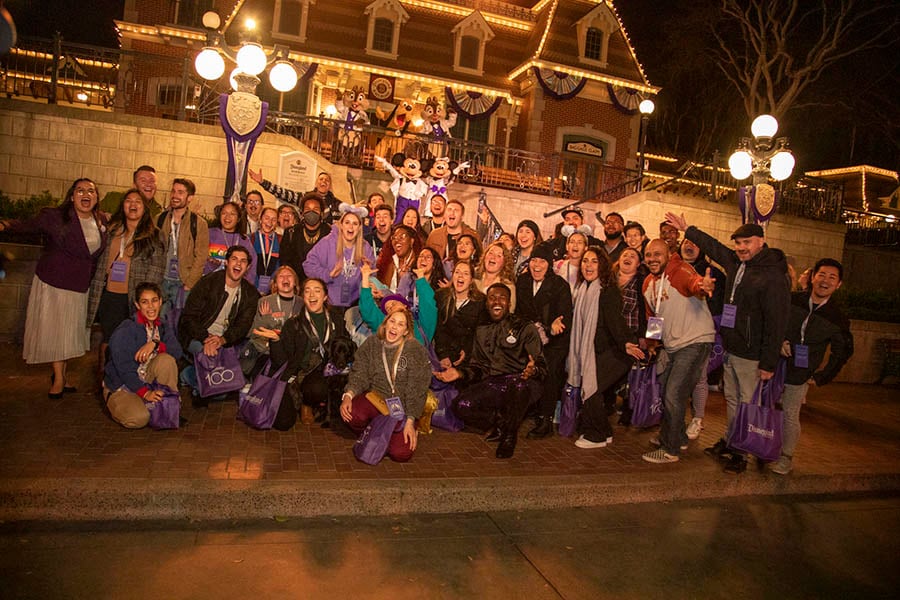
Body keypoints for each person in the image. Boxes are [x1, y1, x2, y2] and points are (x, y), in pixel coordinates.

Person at [665, 213, 791, 474]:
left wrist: (768, 362)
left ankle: (742, 452)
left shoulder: (773, 275)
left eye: (747, 242)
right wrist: (688, 229)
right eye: (738, 243)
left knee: (748, 404)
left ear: (761, 242)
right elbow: (714, 248)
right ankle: (733, 441)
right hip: (733, 348)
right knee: (733, 400)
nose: (741, 248)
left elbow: (776, 322)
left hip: (752, 353)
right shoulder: (737, 263)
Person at [0, 178, 108, 398]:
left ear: (96, 198)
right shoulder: (56, 217)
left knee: (68, 334)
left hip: (79, 287)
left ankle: (63, 375)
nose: (85, 194)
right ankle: (58, 378)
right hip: (54, 282)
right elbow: (28, 226)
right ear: (71, 196)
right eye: (80, 191)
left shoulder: (101, 222)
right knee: (56, 332)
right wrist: (6, 224)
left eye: (91, 191)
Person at [435, 284, 546, 458]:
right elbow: (479, 368)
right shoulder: (481, 331)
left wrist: (533, 370)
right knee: (461, 405)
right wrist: (460, 373)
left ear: (509, 302)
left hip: (522, 381)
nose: (497, 301)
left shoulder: (524, 327)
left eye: (502, 298)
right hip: (494, 382)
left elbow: (541, 364)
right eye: (492, 297)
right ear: (486, 303)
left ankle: (509, 437)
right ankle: (501, 422)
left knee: (518, 386)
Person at [640, 240, 716, 463]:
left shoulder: (680, 270)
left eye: (657, 254)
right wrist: (652, 343)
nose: (652, 258)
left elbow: (694, 283)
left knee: (674, 393)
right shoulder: (648, 283)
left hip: (694, 342)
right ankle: (678, 436)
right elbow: (653, 317)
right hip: (673, 346)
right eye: (648, 254)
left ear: (668, 255)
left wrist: (703, 286)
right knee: (667, 390)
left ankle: (670, 450)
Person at [776, 258, 854, 475]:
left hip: (801, 372)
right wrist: (779, 341)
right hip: (773, 365)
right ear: (812, 277)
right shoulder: (792, 300)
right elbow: (774, 322)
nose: (825, 281)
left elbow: (843, 351)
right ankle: (762, 446)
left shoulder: (837, 318)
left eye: (832, 277)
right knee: (764, 407)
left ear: (838, 285)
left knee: (790, 413)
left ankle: (786, 456)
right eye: (822, 275)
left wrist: (822, 377)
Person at [569, 247, 645, 449]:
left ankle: (596, 436)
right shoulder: (584, 289)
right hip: (599, 351)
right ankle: (605, 431)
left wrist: (626, 343)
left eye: (594, 261)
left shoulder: (607, 289)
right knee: (593, 388)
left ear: (602, 265)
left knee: (592, 388)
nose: (588, 265)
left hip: (618, 351)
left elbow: (615, 321)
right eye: (585, 261)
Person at [87, 188, 165, 375]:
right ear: (122, 206)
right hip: (111, 294)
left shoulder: (154, 234)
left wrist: (145, 300)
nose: (133, 205)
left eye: (138, 202)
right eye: (128, 201)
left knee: (131, 338)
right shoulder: (112, 231)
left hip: (135, 297)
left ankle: (128, 378)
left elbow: (157, 268)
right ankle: (105, 379)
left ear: (144, 208)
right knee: (109, 337)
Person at [341, 305, 432, 462]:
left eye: (400, 324)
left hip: (402, 407)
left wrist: (410, 420)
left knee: (400, 453)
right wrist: (348, 395)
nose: (394, 327)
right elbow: (360, 372)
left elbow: (417, 388)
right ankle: (374, 431)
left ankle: (390, 433)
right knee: (352, 413)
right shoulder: (372, 343)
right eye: (392, 321)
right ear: (385, 323)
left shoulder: (415, 350)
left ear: (406, 331)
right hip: (377, 399)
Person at [265, 277, 353, 428]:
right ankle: (297, 401)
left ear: (325, 296)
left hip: (320, 372)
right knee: (283, 423)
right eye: (307, 291)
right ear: (302, 296)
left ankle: (308, 403)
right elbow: (280, 360)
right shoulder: (293, 323)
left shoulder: (336, 320)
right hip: (295, 373)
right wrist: (275, 341)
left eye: (317, 291)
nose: (312, 295)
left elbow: (345, 346)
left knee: (319, 388)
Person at [178, 246, 261, 405]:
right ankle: (197, 383)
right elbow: (189, 317)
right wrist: (206, 339)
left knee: (225, 387)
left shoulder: (249, 293)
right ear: (227, 262)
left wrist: (222, 340)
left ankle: (189, 375)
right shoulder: (208, 282)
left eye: (243, 261)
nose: (238, 264)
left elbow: (242, 326)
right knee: (215, 369)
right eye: (234, 259)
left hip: (224, 341)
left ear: (248, 267)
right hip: (196, 336)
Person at [103, 282, 183, 429]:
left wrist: (156, 344)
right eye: (144, 302)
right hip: (123, 384)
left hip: (146, 377)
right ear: (137, 305)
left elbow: (177, 352)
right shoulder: (126, 329)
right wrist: (145, 393)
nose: (151, 307)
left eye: (154, 301)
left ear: (160, 302)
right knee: (139, 419)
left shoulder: (163, 326)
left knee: (167, 360)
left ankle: (167, 405)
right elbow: (124, 369)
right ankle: (119, 403)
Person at [515, 243, 572, 439]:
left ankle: (545, 418)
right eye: (533, 260)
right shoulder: (522, 282)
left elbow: (564, 319)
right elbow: (519, 313)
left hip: (554, 341)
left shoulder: (559, 285)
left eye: (542, 261)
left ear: (550, 264)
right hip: (529, 338)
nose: (537, 265)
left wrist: (551, 327)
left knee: (550, 369)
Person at [680, 236, 727, 439]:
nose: (689, 246)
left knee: (699, 377)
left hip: (700, 334)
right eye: (686, 243)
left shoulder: (714, 274)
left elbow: (718, 309)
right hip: (674, 333)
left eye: (694, 243)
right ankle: (674, 421)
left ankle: (697, 419)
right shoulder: (672, 268)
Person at [302, 203, 375, 316]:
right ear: (341, 225)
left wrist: (367, 275)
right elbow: (308, 265)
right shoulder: (328, 242)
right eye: (347, 223)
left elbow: (372, 277)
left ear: (360, 227)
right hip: (329, 305)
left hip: (355, 306)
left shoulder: (365, 247)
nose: (350, 227)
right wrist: (328, 275)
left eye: (355, 224)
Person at [156, 178, 210, 321]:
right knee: (158, 323)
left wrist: (189, 283)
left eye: (180, 192)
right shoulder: (159, 219)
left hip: (183, 283)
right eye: (173, 191)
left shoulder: (198, 223)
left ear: (190, 197)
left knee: (180, 325)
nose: (175, 195)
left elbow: (201, 256)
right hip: (161, 281)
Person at [241, 265, 303, 381]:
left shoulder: (302, 303)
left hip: (291, 354)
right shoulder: (265, 302)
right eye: (281, 276)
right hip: (267, 353)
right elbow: (253, 333)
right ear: (275, 283)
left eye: (289, 276)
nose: (285, 279)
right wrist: (265, 319)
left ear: (295, 282)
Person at [611, 246, 647, 424]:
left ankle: (627, 408)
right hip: (610, 334)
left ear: (638, 263)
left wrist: (643, 336)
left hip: (630, 335)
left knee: (627, 376)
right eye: (625, 254)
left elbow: (644, 310)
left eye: (633, 256)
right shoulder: (609, 278)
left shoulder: (641, 281)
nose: (628, 257)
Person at [433, 260, 486, 369]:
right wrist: (443, 354)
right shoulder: (441, 296)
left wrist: (466, 350)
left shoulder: (480, 302)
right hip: (443, 350)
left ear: (471, 280)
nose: (460, 276)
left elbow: (478, 332)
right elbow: (439, 329)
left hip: (468, 354)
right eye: (457, 272)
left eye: (466, 273)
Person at [250, 169, 342, 224]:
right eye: (321, 179)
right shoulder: (305, 197)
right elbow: (283, 193)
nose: (323, 181)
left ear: (330, 185)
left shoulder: (337, 204)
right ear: (316, 183)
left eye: (327, 180)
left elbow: (351, 212)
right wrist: (263, 182)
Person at [279, 193, 331, 282]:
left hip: (322, 283)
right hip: (297, 284)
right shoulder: (291, 232)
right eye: (307, 209)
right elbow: (285, 262)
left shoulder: (330, 232)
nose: (311, 212)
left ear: (322, 213)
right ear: (302, 213)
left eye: (316, 209)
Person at [205, 202, 256, 283]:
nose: (227, 217)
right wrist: (211, 265)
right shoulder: (209, 234)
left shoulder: (244, 240)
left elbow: (252, 265)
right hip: (209, 282)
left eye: (232, 214)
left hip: (234, 285)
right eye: (224, 213)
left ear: (238, 218)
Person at [374, 224, 422, 293]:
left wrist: (404, 280)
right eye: (394, 238)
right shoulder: (388, 261)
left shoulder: (419, 262)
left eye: (402, 237)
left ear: (411, 241)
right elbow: (385, 289)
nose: (397, 241)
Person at [475, 241, 516, 311]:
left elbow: (509, 313)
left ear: (504, 262)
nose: (493, 257)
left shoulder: (508, 286)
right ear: (484, 257)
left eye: (499, 256)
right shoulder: (472, 277)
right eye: (491, 253)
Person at [251, 206, 280, 293]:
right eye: (266, 218)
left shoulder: (281, 240)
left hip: (273, 288)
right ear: (260, 219)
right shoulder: (250, 238)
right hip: (252, 285)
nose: (270, 222)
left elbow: (280, 265)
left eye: (273, 220)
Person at [554, 230, 588, 294]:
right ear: (567, 246)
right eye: (572, 242)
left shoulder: (588, 269)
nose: (575, 245)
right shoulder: (557, 266)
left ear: (585, 247)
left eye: (579, 242)